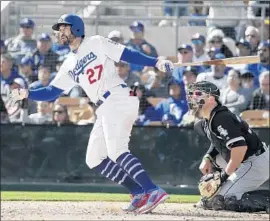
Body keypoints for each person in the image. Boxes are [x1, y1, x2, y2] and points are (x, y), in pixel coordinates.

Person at [10, 14, 174, 214]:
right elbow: (52, 91)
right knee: (94, 159)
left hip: (118, 96)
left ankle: (152, 190)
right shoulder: (69, 62)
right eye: (59, 29)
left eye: (64, 28)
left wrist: (156, 61)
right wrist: (28, 93)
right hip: (105, 105)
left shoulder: (95, 42)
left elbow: (126, 54)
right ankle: (139, 192)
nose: (60, 32)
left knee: (117, 152)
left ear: (76, 28)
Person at [187, 81, 269, 212]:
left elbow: (240, 148)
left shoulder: (221, 118)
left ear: (211, 98)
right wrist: (207, 157)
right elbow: (218, 143)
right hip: (245, 160)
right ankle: (224, 191)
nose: (193, 97)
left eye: (197, 94)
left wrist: (224, 176)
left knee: (225, 200)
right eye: (191, 94)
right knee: (212, 201)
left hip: (255, 161)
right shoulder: (210, 118)